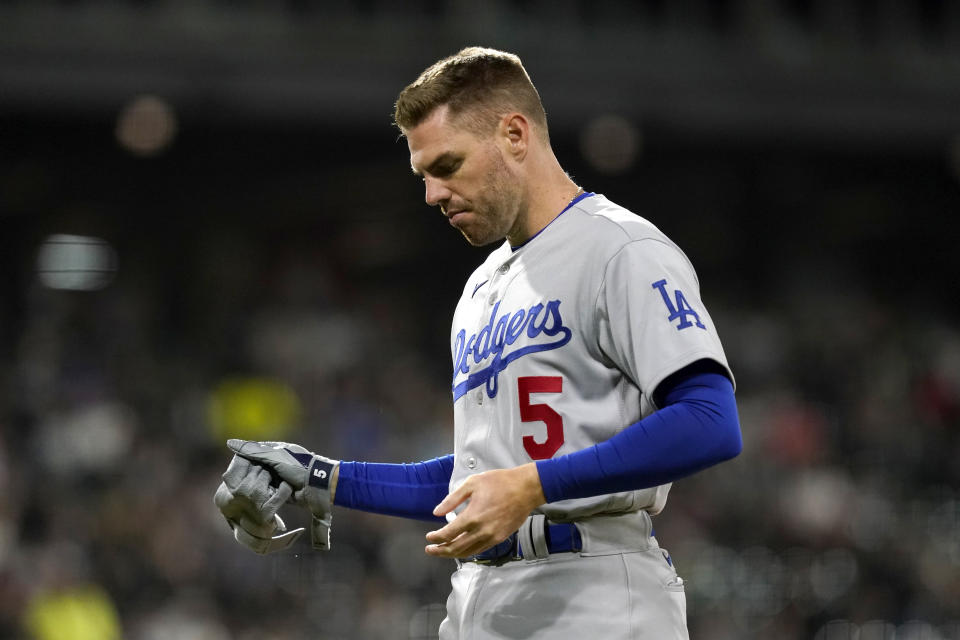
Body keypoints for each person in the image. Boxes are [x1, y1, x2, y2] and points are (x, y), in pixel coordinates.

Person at [215, 46, 743, 639]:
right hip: (478, 599)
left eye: (447, 164)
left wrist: (534, 485)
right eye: (423, 175)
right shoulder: (480, 289)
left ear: (514, 134)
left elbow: (710, 420)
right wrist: (324, 476)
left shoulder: (620, 249)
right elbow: (481, 480)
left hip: (595, 590)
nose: (432, 194)